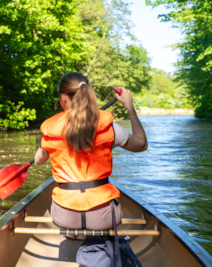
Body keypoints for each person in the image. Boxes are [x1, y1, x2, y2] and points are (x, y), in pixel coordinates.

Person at [33, 72, 148, 237]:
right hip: (104, 216)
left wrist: (46, 146)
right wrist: (129, 107)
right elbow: (141, 144)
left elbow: (38, 161)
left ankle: (73, 235)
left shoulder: (50, 131)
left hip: (65, 217)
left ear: (63, 98)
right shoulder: (109, 127)